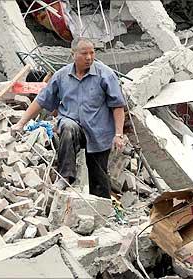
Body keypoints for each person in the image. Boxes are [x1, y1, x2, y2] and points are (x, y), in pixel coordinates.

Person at [11, 37, 126, 199]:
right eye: (84, 53)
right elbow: (41, 100)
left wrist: (118, 134)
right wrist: (21, 124)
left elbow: (118, 105)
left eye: (92, 53)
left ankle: (102, 210)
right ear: (73, 54)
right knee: (67, 125)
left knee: (99, 178)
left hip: (99, 133)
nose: (89, 57)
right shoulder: (61, 76)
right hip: (73, 129)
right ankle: (66, 176)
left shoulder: (105, 75)